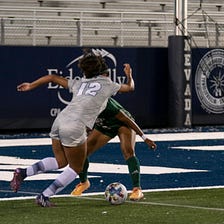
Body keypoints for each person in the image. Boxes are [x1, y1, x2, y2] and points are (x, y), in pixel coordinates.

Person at [11, 50, 134, 207]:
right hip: (75, 126)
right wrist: (129, 75)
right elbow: (130, 88)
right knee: (76, 167)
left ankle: (23, 172)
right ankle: (44, 196)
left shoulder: (80, 83)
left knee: (61, 161)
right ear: (103, 71)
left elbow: (52, 77)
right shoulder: (108, 84)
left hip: (60, 121)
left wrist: (31, 85)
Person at [70, 98, 156, 201]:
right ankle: (84, 183)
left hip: (122, 124)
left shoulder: (107, 104)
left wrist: (144, 138)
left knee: (128, 151)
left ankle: (137, 189)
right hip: (105, 124)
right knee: (82, 152)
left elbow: (128, 120)